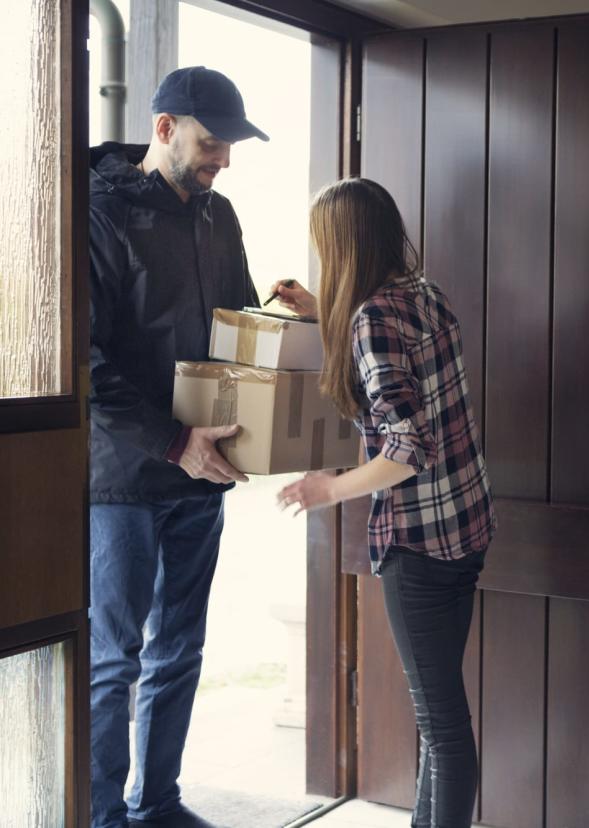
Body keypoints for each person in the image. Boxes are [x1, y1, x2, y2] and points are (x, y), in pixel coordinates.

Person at [274, 178, 495, 828]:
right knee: (439, 722)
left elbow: (406, 447)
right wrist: (321, 310)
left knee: (443, 727)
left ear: (342, 246)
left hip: (420, 545)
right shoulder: (422, 295)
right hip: (467, 526)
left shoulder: (373, 319)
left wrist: (328, 490)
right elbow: (397, 359)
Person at [88, 67, 268, 828]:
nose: (221, 159)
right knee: (113, 659)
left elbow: (240, 321)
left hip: (205, 473)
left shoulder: (218, 216)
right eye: (210, 142)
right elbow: (82, 364)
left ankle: (155, 802)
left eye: (228, 146)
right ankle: (99, 814)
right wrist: (173, 442)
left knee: (180, 650)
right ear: (163, 128)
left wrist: (280, 326)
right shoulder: (99, 213)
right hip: (125, 478)